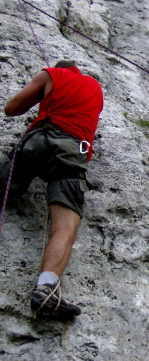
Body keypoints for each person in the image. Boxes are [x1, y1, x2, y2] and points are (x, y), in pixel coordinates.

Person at [1, 60, 103, 318]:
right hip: (71, 152)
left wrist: (44, 93)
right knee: (64, 228)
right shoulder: (94, 87)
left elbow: (11, 108)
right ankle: (46, 289)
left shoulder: (51, 74)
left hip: (38, 141)